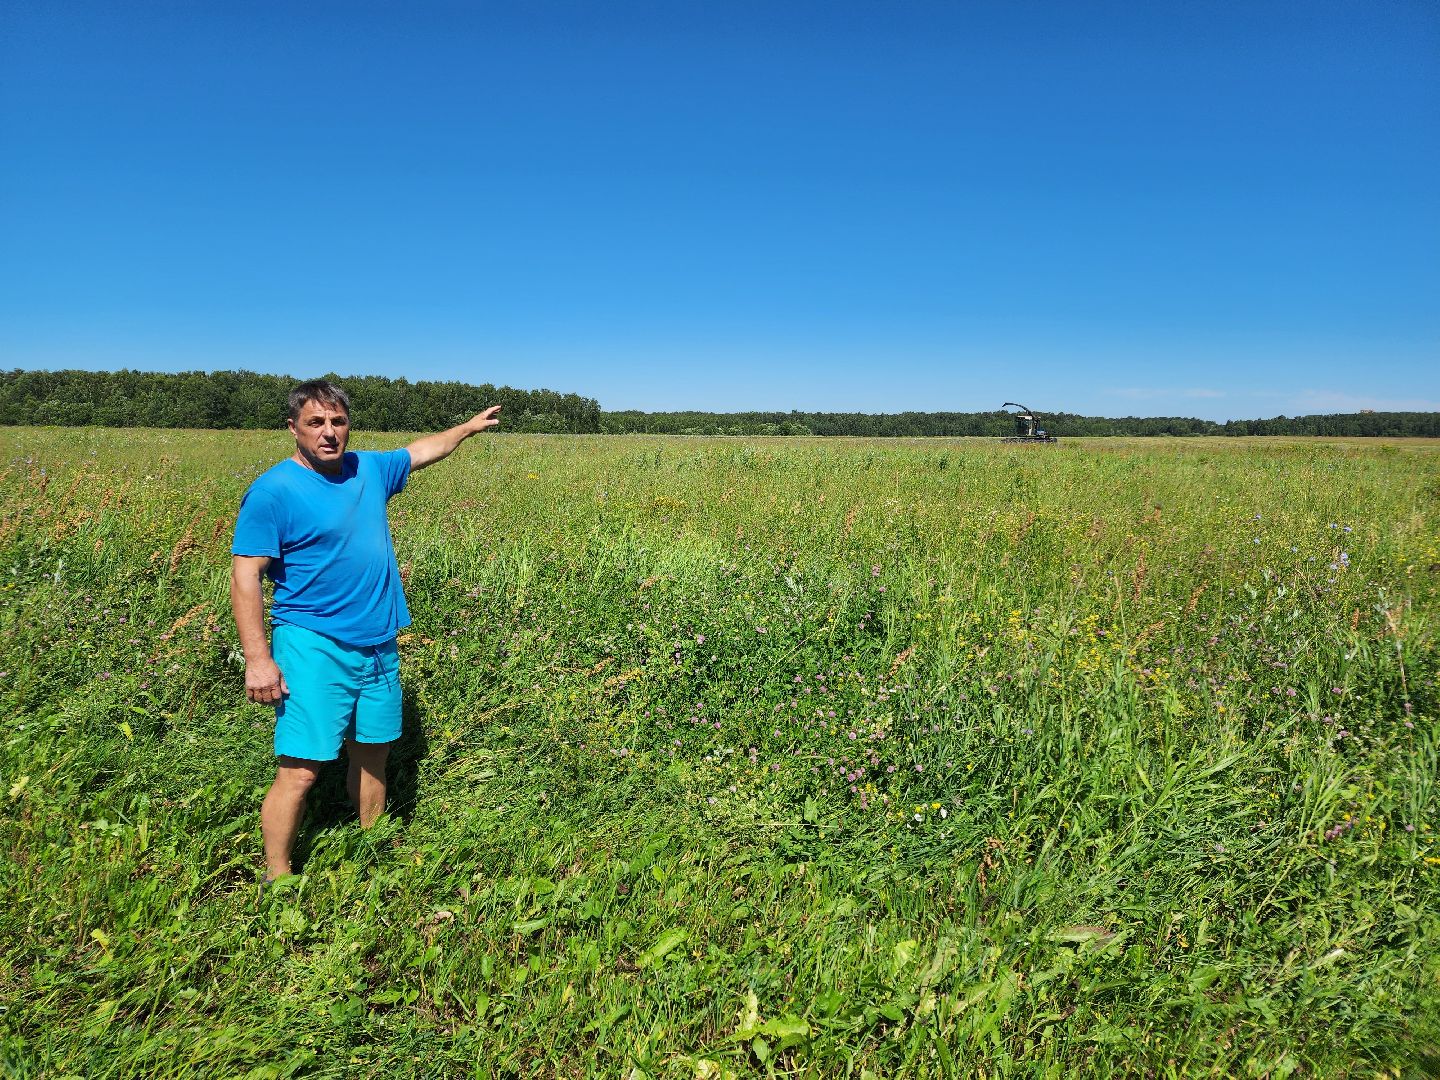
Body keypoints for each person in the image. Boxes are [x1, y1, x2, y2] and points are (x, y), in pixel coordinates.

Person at [230, 379, 500, 882]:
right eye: (316, 422)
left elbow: (421, 451)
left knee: (372, 755)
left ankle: (372, 849)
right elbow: (246, 574)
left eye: (338, 421)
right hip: (313, 645)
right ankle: (277, 876)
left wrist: (465, 428)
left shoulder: (368, 468)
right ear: (293, 428)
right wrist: (258, 659)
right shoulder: (273, 491)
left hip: (378, 644)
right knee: (302, 769)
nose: (329, 433)